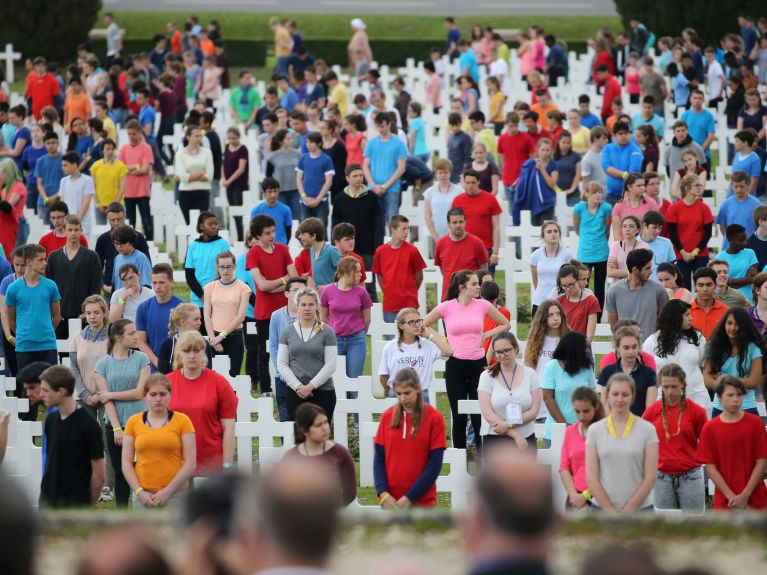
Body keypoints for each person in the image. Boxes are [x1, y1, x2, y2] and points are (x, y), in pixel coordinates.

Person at [423, 270, 510, 449]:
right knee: (458, 415)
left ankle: (482, 458)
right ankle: (460, 459)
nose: (479, 287)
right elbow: (423, 324)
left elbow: (505, 324)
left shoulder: (483, 305)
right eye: (474, 284)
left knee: (480, 413)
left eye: (478, 283)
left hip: (478, 364)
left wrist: (486, 335)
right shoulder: (446, 307)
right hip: (455, 365)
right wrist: (439, 340)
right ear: (462, 287)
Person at [94, 319, 150, 508]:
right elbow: (106, 400)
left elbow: (140, 392)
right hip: (115, 425)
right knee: (120, 472)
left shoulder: (142, 359)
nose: (136, 336)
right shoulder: (102, 365)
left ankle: (146, 511)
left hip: (141, 423)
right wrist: (117, 427)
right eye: (131, 333)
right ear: (118, 338)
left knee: (142, 470)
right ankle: (122, 514)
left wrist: (110, 394)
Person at [586, 373, 659, 512]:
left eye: (625, 394)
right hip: (602, 510)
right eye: (615, 394)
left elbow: (650, 478)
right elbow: (592, 479)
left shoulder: (648, 430)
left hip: (640, 511)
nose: (620, 399)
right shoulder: (594, 430)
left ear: (633, 396)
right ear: (608, 395)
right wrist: (611, 513)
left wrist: (627, 511)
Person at [374, 368, 446, 509]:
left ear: (418, 389)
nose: (402, 398)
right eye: (398, 394)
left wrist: (409, 498)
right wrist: (383, 493)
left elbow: (435, 464)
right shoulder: (387, 417)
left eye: (407, 393)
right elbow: (379, 458)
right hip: (390, 502)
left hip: (422, 502)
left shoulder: (434, 418)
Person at [168, 330, 238, 476]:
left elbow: (229, 429)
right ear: (179, 353)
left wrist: (226, 465)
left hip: (211, 466)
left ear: (204, 352)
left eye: (196, 350)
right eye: (187, 351)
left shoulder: (219, 383)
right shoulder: (166, 383)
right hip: (174, 465)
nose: (192, 355)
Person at [122, 373, 196, 508]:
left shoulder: (183, 421)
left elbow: (190, 462)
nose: (158, 399)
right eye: (153, 394)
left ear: (170, 395)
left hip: (176, 494)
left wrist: (167, 491)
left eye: (163, 394)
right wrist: (139, 492)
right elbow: (126, 463)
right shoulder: (133, 422)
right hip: (143, 494)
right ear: (145, 396)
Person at [642, 364, 707, 513]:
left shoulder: (697, 412)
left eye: (674, 386)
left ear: (683, 384)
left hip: (690, 475)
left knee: (694, 525)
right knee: (664, 528)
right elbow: (641, 441)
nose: (669, 392)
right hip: (661, 477)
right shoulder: (651, 412)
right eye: (665, 387)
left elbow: (706, 443)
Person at [696, 375, 767, 510]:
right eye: (730, 395)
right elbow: (711, 468)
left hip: (756, 498)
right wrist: (731, 497)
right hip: (725, 501)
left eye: (739, 395)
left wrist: (745, 494)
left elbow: (761, 462)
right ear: (719, 396)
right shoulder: (710, 429)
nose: (735, 399)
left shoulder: (756, 424)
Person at [39, 365, 105, 507]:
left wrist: (89, 504)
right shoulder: (51, 420)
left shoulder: (88, 424)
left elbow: (99, 474)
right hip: (48, 500)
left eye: (45, 390)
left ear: (61, 392)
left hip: (76, 503)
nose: (41, 395)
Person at [246, 214, 296, 395]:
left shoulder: (283, 249)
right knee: (265, 350)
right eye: (267, 233)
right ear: (258, 236)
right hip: (265, 312)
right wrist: (283, 280)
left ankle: (291, 383)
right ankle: (266, 388)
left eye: (273, 231)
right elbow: (262, 285)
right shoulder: (253, 253)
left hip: (286, 309)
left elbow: (294, 279)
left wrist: (273, 286)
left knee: (291, 348)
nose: (272, 236)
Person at [278, 287, 338, 421]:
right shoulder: (287, 332)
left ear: (316, 306)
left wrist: (310, 386)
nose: (307, 308)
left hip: (323, 391)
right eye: (303, 304)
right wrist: (299, 387)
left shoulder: (327, 332)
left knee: (320, 436)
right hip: (296, 392)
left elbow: (331, 364)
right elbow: (282, 364)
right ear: (297, 306)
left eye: (311, 304)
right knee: (299, 437)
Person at [479, 332, 542, 450]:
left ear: (516, 349)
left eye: (507, 350)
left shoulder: (531, 375)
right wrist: (516, 436)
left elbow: (534, 411)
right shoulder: (486, 376)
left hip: (526, 436)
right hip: (495, 437)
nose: (503, 355)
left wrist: (508, 424)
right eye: (498, 352)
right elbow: (488, 413)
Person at [285, 403, 356, 506]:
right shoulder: (291, 457)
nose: (325, 428)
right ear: (304, 430)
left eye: (326, 422)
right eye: (318, 425)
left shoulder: (340, 453)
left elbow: (350, 492)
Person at [378, 307, 452, 403]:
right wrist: (392, 392)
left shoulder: (427, 344)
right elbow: (383, 376)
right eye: (411, 322)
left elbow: (449, 351)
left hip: (421, 394)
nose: (417, 325)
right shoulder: (390, 346)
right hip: (397, 394)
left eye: (418, 321)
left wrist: (429, 336)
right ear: (401, 325)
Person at [5, 243, 61, 371]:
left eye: (45, 259)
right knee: (28, 388)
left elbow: (57, 317)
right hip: (24, 346)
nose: (45, 263)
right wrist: (25, 334)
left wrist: (45, 332)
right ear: (29, 261)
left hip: (48, 345)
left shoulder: (51, 285)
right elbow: (11, 321)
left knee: (51, 386)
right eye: (40, 259)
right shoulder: (13, 288)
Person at [45, 215, 101, 339]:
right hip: (60, 316)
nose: (73, 233)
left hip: (84, 316)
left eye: (76, 230)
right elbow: (48, 287)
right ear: (64, 231)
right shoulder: (53, 257)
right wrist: (54, 313)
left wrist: (89, 312)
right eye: (70, 230)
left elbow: (96, 286)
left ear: (81, 231)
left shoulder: (91, 256)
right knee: (61, 353)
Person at [703, 307, 766, 418]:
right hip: (720, 408)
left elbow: (753, 382)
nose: (733, 328)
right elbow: (707, 381)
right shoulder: (714, 346)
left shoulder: (753, 347)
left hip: (747, 408)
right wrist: (741, 382)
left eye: (737, 324)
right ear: (724, 324)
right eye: (729, 323)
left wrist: (723, 380)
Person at [331, 163, 384, 287]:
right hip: (345, 249)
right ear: (347, 178)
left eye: (361, 175)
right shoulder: (339, 199)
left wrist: (377, 247)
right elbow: (335, 225)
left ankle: (370, 304)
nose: (359, 178)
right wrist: (335, 246)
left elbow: (379, 224)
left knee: (369, 282)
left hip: (368, 248)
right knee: (344, 281)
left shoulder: (372, 197)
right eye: (355, 176)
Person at [203, 251, 251, 378]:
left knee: (232, 376)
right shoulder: (209, 287)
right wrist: (213, 338)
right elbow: (207, 315)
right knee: (214, 377)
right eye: (222, 267)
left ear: (234, 267)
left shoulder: (243, 288)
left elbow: (240, 316)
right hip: (214, 337)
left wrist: (222, 336)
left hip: (234, 336)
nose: (225, 270)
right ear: (217, 267)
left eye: (229, 267)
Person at [606, 248, 669, 342]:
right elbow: (614, 325)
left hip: (652, 348)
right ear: (635, 270)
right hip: (626, 348)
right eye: (647, 268)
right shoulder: (613, 291)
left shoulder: (658, 290)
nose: (651, 271)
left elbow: (665, 320)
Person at [373, 215, 426, 323]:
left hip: (409, 304)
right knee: (391, 338)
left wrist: (410, 291)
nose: (407, 232)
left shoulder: (413, 251)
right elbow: (379, 274)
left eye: (408, 229)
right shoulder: (380, 251)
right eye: (403, 229)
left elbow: (419, 276)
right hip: (390, 304)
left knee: (411, 338)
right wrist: (387, 291)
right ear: (393, 230)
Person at [559, 386, 604, 510]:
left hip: (600, 498)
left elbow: (607, 471)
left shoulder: (605, 432)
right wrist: (574, 496)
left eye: (586, 411)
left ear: (596, 407)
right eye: (577, 411)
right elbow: (564, 468)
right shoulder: (570, 432)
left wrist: (585, 496)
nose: (581, 416)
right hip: (574, 497)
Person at [185, 211, 231, 325]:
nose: (214, 226)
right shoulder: (193, 246)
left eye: (215, 224)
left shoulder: (222, 244)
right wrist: (202, 296)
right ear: (201, 226)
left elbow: (227, 268)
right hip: (197, 299)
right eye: (210, 224)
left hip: (218, 298)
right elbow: (189, 275)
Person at [136, 263, 185, 370]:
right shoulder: (143, 308)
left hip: (178, 366)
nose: (157, 286)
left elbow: (187, 338)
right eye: (154, 283)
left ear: (171, 282)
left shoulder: (183, 307)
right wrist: (157, 362)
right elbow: (141, 341)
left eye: (162, 282)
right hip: (153, 367)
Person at [452, 169, 502, 272]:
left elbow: (496, 227)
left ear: (479, 182)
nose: (470, 186)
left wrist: (495, 253)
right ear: (463, 183)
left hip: (485, 248)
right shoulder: (457, 201)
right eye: (468, 183)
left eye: (473, 182)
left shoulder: (490, 199)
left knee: (486, 285)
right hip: (463, 248)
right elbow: (453, 226)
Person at [433, 208, 488, 302]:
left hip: (471, 298)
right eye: (454, 222)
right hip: (449, 297)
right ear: (448, 224)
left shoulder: (477, 243)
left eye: (461, 222)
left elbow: (483, 270)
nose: (458, 225)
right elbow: (443, 268)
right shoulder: (441, 244)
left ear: (465, 222)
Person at [95, 202, 151, 295]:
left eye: (119, 219)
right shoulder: (103, 240)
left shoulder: (138, 238)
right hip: (113, 290)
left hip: (136, 293)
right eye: (112, 220)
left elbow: (146, 267)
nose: (116, 223)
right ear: (107, 218)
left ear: (124, 216)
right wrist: (104, 285)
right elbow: (98, 266)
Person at [363, 112, 408, 226]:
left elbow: (401, 168)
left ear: (389, 124)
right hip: (373, 188)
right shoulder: (371, 143)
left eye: (382, 126)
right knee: (373, 222)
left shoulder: (398, 144)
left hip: (392, 189)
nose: (380, 129)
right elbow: (365, 166)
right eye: (378, 126)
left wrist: (385, 186)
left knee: (393, 223)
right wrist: (373, 185)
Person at [572, 182, 611, 309]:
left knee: (600, 288)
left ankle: (597, 318)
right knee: (583, 286)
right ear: (587, 194)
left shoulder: (606, 208)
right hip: (585, 253)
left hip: (601, 253)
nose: (598, 195)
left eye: (600, 192)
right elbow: (577, 229)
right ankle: (584, 313)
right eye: (595, 192)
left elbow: (607, 230)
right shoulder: (579, 208)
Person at [118, 119, 154, 241]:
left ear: (139, 132)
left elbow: (145, 169)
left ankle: (150, 242)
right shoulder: (124, 149)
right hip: (128, 192)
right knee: (130, 221)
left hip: (142, 191)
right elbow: (120, 168)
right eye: (129, 134)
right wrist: (137, 166)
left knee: (146, 219)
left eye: (134, 133)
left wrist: (129, 169)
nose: (131, 136)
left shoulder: (146, 148)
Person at [512, 137, 558, 226]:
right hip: (531, 204)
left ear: (551, 151)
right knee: (533, 235)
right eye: (543, 150)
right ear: (538, 150)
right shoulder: (529, 164)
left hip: (547, 205)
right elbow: (523, 183)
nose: (545, 153)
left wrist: (542, 169)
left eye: (547, 150)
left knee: (545, 232)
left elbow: (552, 184)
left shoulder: (554, 165)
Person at [530, 221, 573, 317]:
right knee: (538, 331)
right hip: (539, 301)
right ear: (543, 235)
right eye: (549, 232)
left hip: (561, 300)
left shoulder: (567, 254)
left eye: (555, 231)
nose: (553, 234)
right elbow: (535, 281)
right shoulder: (535, 255)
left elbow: (571, 279)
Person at [174, 126, 213, 225]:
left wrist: (190, 176)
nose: (199, 138)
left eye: (200, 136)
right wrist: (201, 172)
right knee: (189, 225)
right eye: (196, 136)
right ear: (188, 137)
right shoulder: (180, 154)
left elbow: (209, 176)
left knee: (201, 224)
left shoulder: (207, 153)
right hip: (186, 193)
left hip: (203, 192)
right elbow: (183, 178)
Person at [555, 264, 600, 346]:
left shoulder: (591, 300)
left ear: (577, 281)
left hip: (582, 347)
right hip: (562, 347)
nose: (568, 289)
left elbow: (589, 336)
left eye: (571, 285)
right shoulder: (559, 301)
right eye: (564, 286)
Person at [715, 224, 759, 303]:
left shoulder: (750, 253)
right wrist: (745, 280)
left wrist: (729, 281)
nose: (745, 243)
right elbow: (717, 281)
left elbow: (751, 279)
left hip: (747, 301)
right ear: (731, 241)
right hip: (726, 300)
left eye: (745, 239)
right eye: (741, 240)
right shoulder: (719, 258)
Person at [601, 122, 642, 205]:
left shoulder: (635, 149)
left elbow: (634, 173)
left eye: (626, 133)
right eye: (620, 134)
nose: (624, 136)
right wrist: (624, 175)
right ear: (614, 135)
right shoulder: (607, 148)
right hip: (610, 194)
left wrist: (627, 178)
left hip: (630, 194)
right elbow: (607, 168)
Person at [221, 126, 250, 241]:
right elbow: (223, 164)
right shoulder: (227, 147)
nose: (231, 141)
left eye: (234, 138)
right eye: (229, 138)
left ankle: (241, 238)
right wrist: (224, 178)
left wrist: (229, 180)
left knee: (239, 213)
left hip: (239, 185)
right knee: (233, 212)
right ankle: (238, 237)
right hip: (229, 185)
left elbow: (241, 168)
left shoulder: (242, 149)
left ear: (238, 137)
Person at [690, 267, 729, 341]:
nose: (705, 289)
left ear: (715, 285)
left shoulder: (726, 311)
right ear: (695, 287)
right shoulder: (687, 312)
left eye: (709, 285)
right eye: (701, 285)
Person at [607, 215, 650, 281]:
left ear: (637, 230)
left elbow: (643, 272)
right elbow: (610, 272)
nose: (627, 229)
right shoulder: (615, 245)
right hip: (618, 286)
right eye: (624, 226)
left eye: (631, 226)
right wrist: (631, 271)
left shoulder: (644, 247)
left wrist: (619, 271)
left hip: (639, 286)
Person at [0, 159, 26, 259]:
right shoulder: (4, 189)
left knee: (17, 255)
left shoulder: (18, 186)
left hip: (17, 223)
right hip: (6, 224)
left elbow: (8, 205)